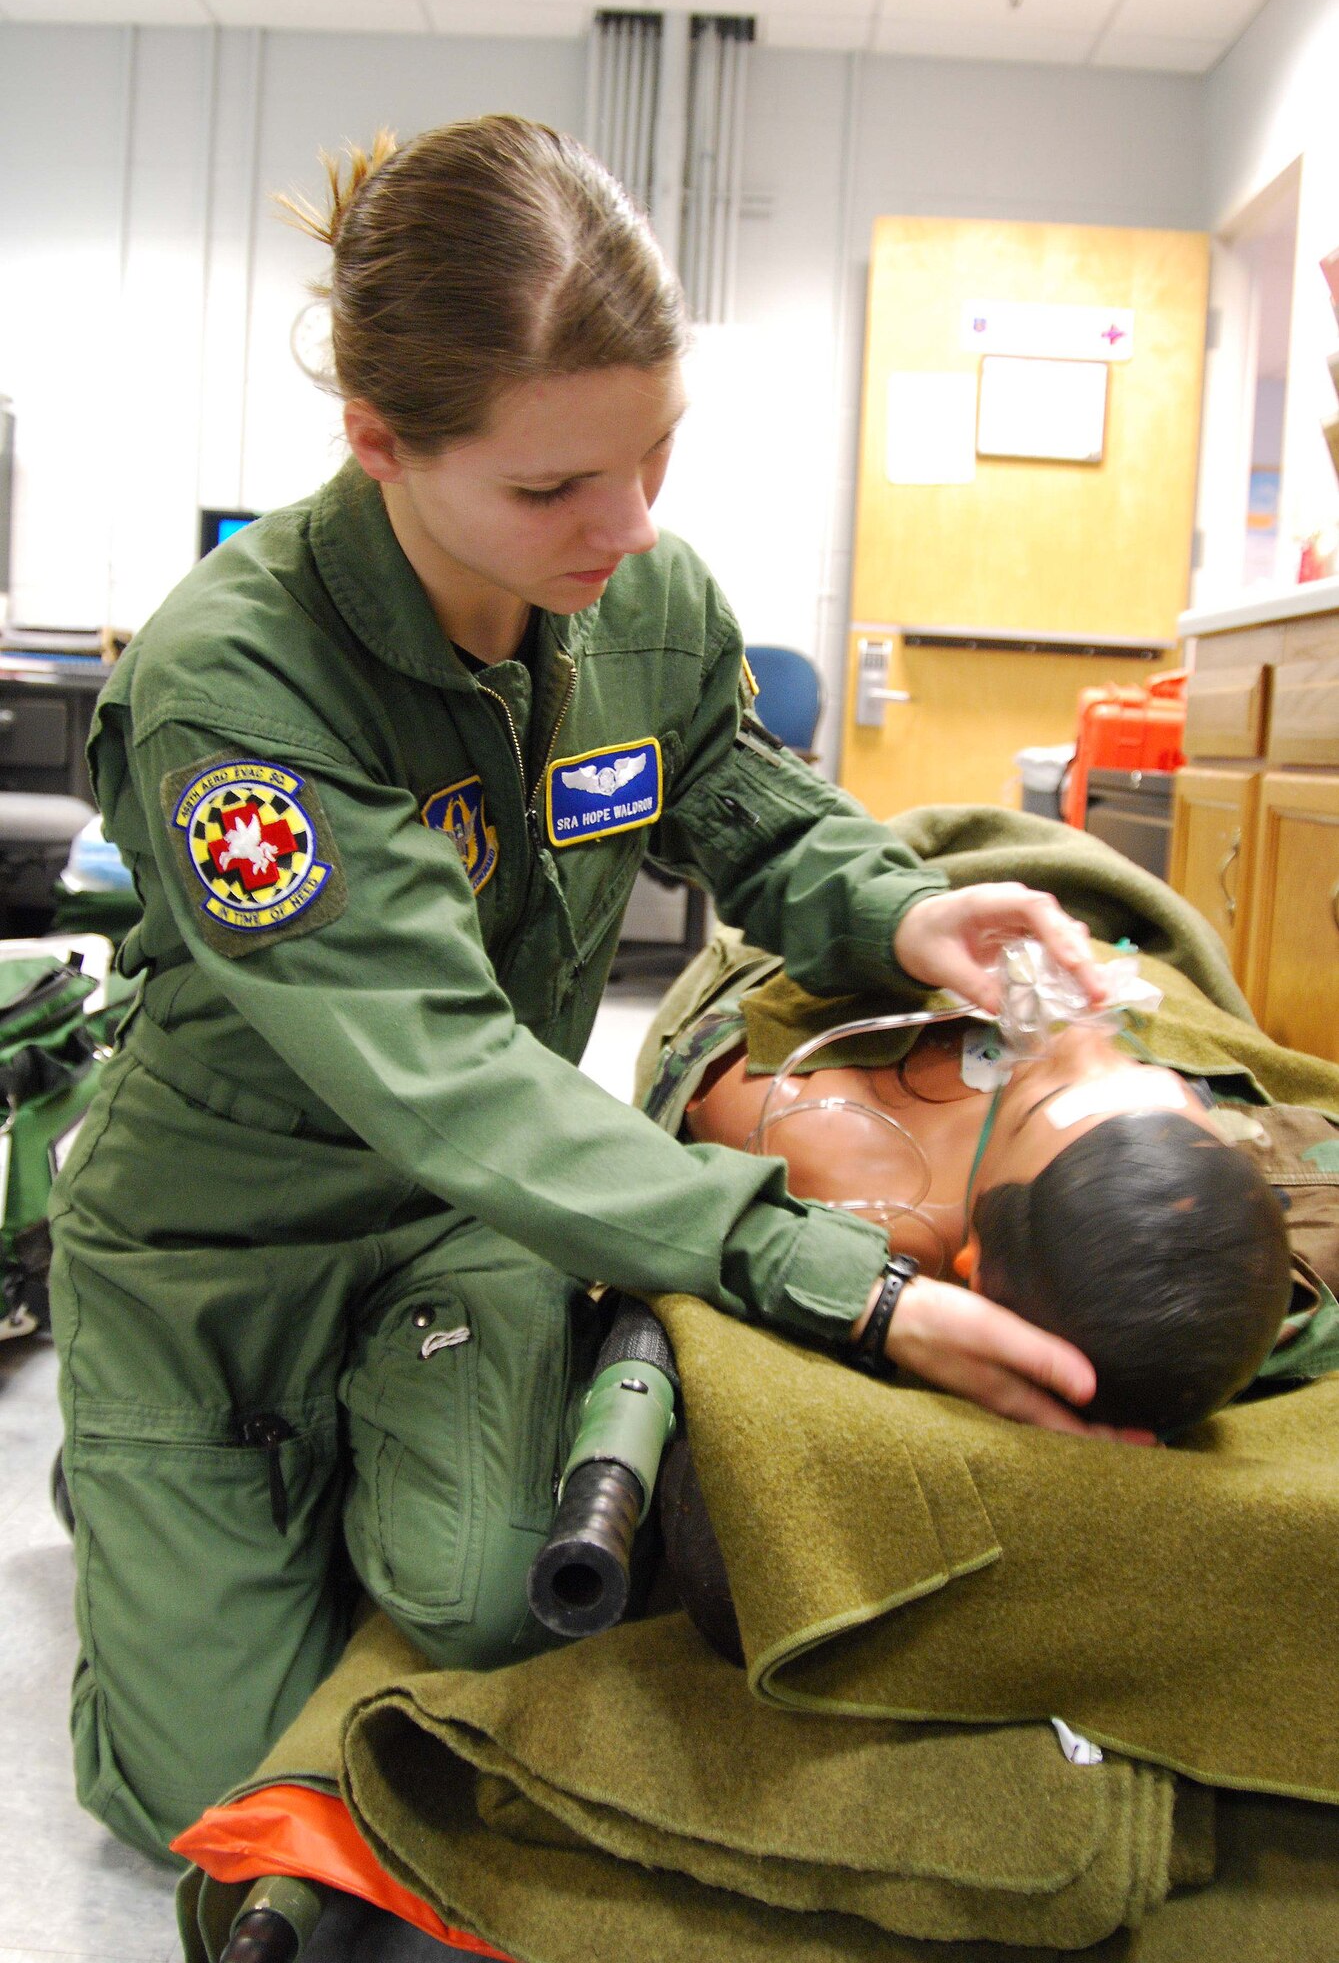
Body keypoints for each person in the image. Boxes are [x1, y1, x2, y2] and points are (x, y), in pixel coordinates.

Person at [49, 113, 1121, 1861]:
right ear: (379, 444)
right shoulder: (235, 694)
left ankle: (301, 1487)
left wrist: (902, 909)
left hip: (474, 1219)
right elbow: (453, 1075)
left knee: (492, 1600)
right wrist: (837, 1286)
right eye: (548, 489)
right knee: (209, 1796)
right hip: (221, 1255)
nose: (622, 526)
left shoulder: (639, 593)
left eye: (653, 452)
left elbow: (741, 800)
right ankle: (150, 1473)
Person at [679, 1000, 1294, 1435]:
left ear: (972, 1267)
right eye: (1155, 1078)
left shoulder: (797, 1127)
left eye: (1047, 1097)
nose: (1087, 1040)